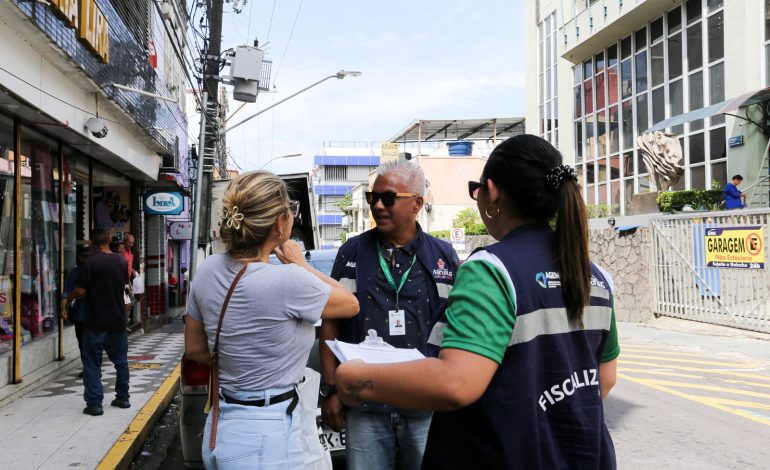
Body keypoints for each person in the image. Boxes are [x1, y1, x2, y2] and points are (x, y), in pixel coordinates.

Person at [335, 135, 620, 469]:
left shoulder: (491, 269)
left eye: (476, 189)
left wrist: (356, 379)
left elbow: (456, 383)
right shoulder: (596, 276)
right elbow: (603, 379)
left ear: (492, 191)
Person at [184, 170, 359, 469]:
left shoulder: (208, 270)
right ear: (280, 223)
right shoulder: (289, 280)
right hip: (267, 431)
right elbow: (350, 303)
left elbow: (196, 350)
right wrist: (301, 264)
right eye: (291, 210)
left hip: (223, 422)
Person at [320, 160, 459, 470]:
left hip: (425, 404)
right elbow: (330, 323)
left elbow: (457, 327)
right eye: (373, 197)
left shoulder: (443, 256)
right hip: (365, 405)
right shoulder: (351, 253)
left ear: (417, 204)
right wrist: (329, 391)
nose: (378, 206)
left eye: (389, 198)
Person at [62, 229, 131, 417]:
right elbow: (125, 288)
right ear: (109, 239)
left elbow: (81, 290)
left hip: (94, 322)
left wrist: (69, 298)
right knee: (121, 361)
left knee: (91, 363)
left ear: (91, 242)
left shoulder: (89, 262)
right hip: (117, 320)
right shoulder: (121, 261)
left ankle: (94, 404)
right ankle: (123, 397)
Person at [61, 246, 91, 378]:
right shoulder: (75, 272)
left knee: (95, 342)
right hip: (81, 314)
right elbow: (66, 292)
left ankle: (94, 367)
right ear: (80, 257)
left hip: (98, 314)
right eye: (85, 256)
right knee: (82, 342)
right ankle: (88, 367)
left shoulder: (99, 270)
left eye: (90, 256)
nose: (88, 259)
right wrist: (64, 308)